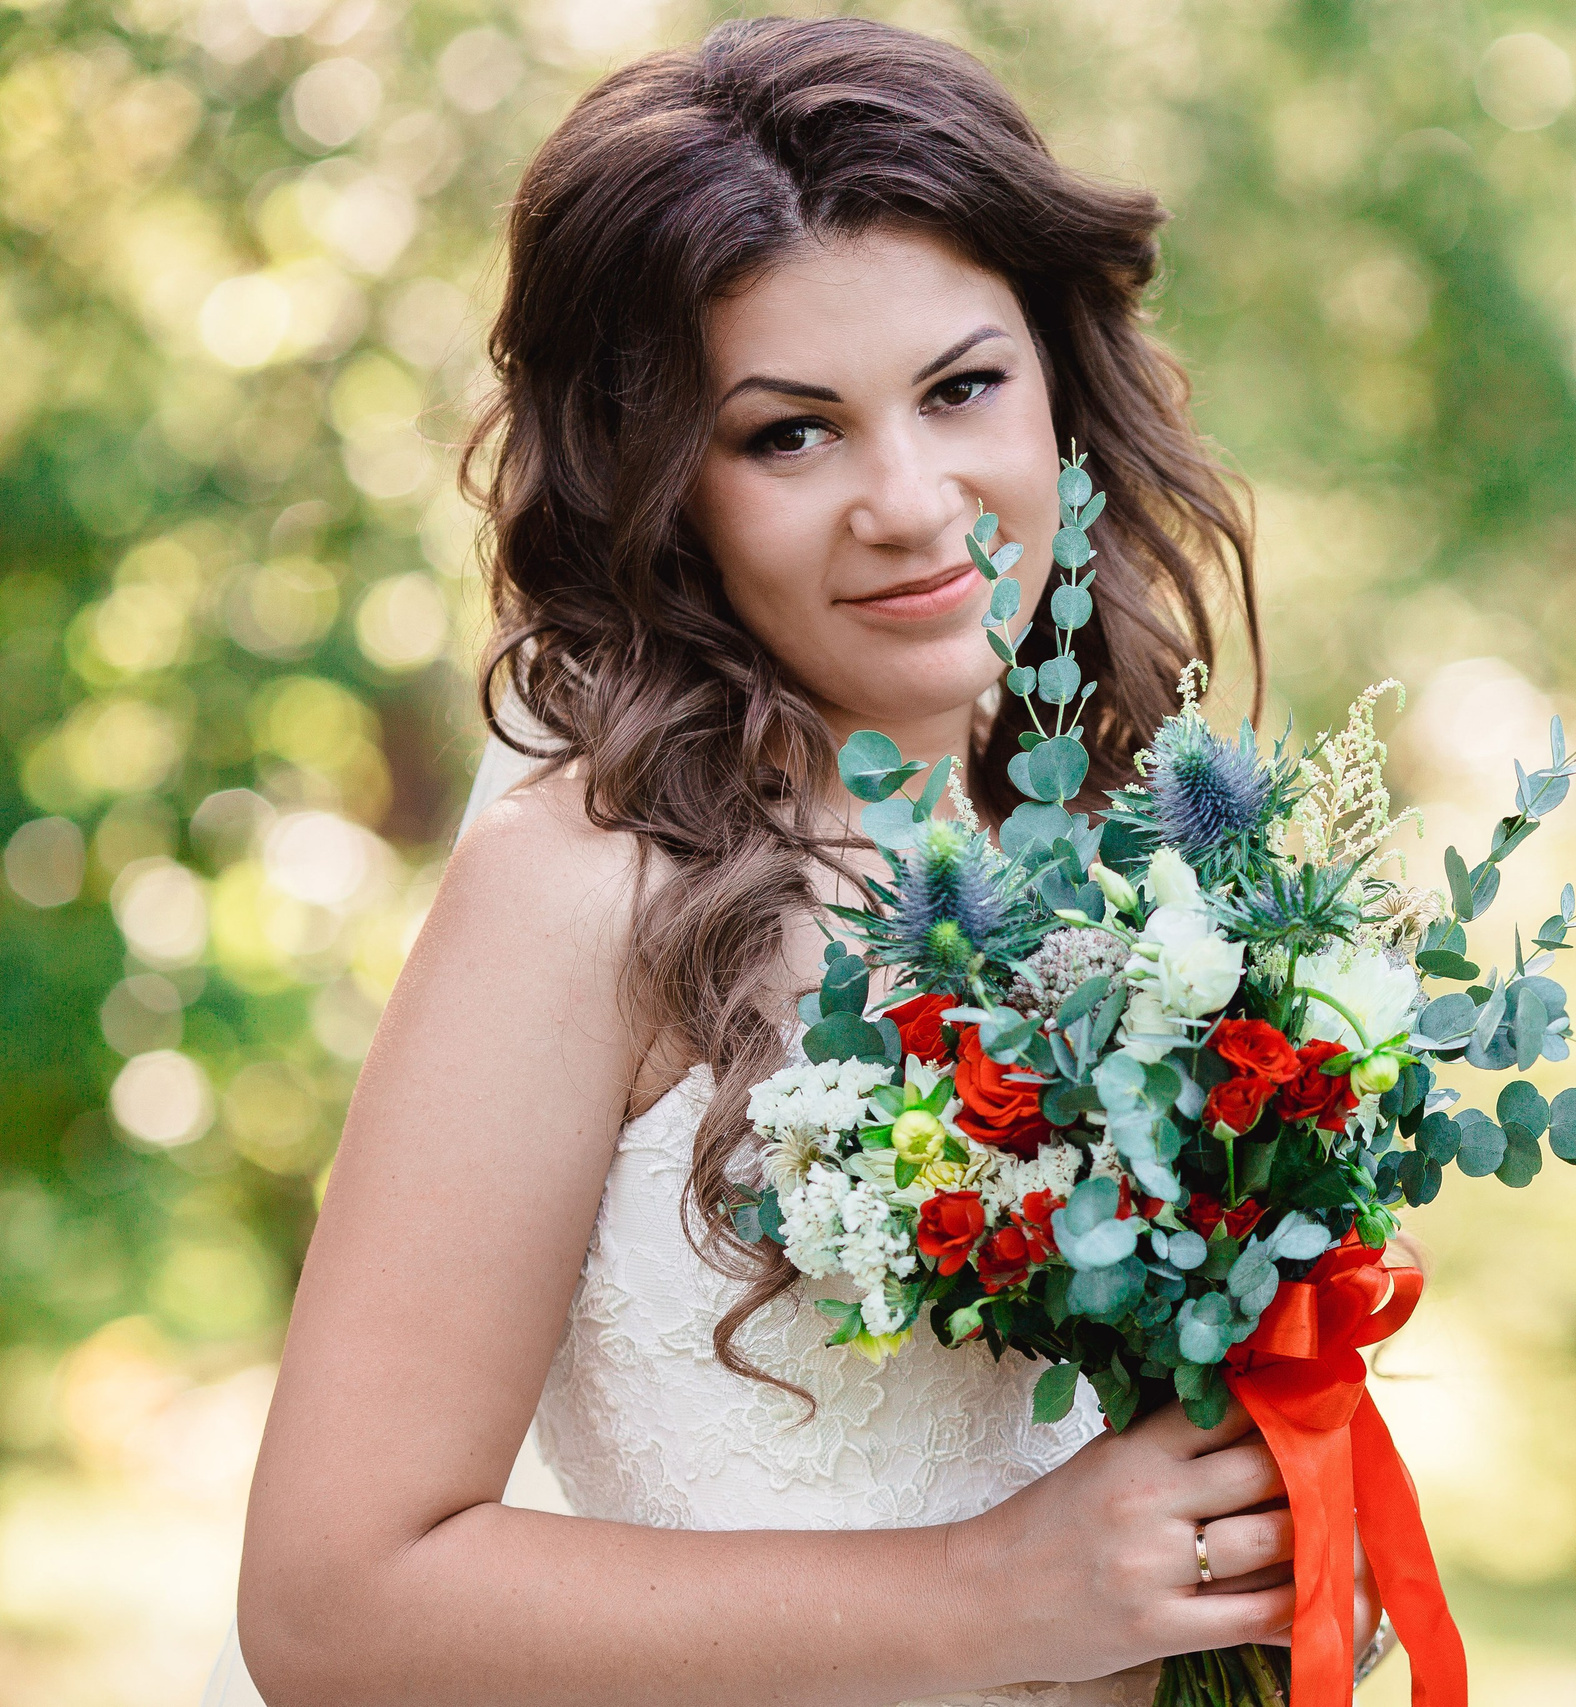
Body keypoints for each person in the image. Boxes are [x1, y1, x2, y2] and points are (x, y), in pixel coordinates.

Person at [212, 18, 1387, 1706]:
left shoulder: (1111, 851)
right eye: (789, 433)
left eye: (962, 389)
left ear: (1062, 383)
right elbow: (332, 1609)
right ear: (655, 484)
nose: (909, 501)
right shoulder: (593, 885)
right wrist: (995, 1595)